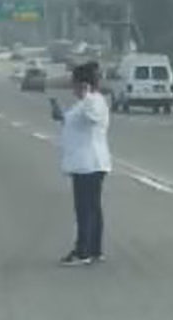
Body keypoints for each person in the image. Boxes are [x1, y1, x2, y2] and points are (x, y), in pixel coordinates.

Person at [54, 62, 112, 267]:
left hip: (90, 164)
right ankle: (94, 249)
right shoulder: (83, 103)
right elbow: (75, 121)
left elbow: (92, 118)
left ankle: (83, 251)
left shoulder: (94, 101)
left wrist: (86, 95)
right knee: (92, 208)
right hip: (85, 163)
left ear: (84, 85)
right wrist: (61, 116)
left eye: (75, 85)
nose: (73, 89)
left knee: (85, 209)